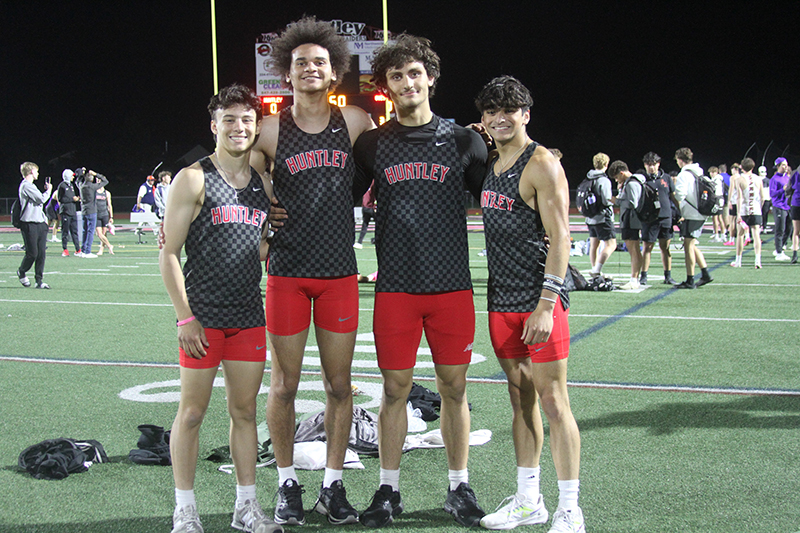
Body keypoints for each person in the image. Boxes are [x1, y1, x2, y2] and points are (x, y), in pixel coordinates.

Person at [351, 34, 488, 528]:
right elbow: (335, 196)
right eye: (396, 75)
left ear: (430, 77)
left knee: (454, 388)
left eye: (414, 73)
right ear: (385, 86)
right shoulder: (372, 144)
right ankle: (388, 489)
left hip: (451, 286)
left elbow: (500, 198)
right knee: (394, 391)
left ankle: (458, 487)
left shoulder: (463, 140)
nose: (406, 82)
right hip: (397, 289)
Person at [249, 16, 375, 526]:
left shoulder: (358, 122)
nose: (309, 69)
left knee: (340, 386)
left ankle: (332, 484)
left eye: (318, 62)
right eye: (300, 62)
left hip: (339, 272)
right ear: (287, 72)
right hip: (288, 272)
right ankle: (285, 483)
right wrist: (263, 199)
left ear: (333, 71)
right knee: (283, 385)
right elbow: (239, 167)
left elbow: (393, 158)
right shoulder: (273, 129)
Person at [159, 84, 280, 533]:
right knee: (191, 412)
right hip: (204, 319)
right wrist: (185, 317)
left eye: (247, 120)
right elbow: (169, 252)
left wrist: (275, 240)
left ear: (255, 126)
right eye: (229, 119)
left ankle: (245, 507)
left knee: (244, 413)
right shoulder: (193, 178)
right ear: (214, 126)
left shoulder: (261, 183)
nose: (239, 127)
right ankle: (185, 510)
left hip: (248, 315)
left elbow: (256, 248)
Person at [474, 76, 584, 533]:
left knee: (554, 402)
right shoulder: (490, 160)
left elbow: (562, 236)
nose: (501, 117)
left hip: (537, 302)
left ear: (527, 114)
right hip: (500, 300)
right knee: (519, 400)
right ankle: (528, 499)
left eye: (510, 110)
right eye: (491, 111)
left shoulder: (541, 164)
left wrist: (546, 303)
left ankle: (569, 508)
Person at [673, 147, 714, 288]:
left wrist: (674, 192)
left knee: (688, 246)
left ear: (679, 160)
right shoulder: (699, 172)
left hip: (692, 213)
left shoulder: (684, 174)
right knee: (691, 244)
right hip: (701, 212)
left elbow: (680, 195)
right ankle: (705, 273)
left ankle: (690, 280)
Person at [639, 152, 679, 285]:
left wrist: (680, 212)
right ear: (645, 165)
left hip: (666, 217)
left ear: (658, 164)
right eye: (649, 165)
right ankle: (643, 276)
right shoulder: (641, 179)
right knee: (647, 247)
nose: (652, 167)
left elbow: (673, 197)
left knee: (665, 247)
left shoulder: (666, 178)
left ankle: (668, 276)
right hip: (649, 219)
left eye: (654, 164)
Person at [608, 160, 644, 290]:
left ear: (622, 173)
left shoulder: (632, 183)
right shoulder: (631, 182)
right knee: (634, 250)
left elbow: (633, 203)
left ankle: (634, 279)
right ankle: (635, 278)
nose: (617, 180)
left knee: (633, 250)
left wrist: (616, 200)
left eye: (617, 177)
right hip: (630, 219)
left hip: (631, 219)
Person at [17, 161, 53, 289]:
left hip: (40, 224)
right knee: (32, 253)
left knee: (41, 254)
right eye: (36, 171)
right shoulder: (26, 185)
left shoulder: (32, 186)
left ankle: (39, 280)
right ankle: (22, 271)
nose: (38, 173)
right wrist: (49, 191)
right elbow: (41, 199)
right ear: (31, 171)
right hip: (29, 223)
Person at [584, 153, 616, 279]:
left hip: (590, 217)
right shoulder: (603, 180)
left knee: (594, 245)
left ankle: (594, 269)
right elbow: (606, 200)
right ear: (606, 165)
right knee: (611, 244)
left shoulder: (588, 178)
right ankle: (597, 270)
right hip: (602, 217)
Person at [732, 158, 763, 268]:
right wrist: (759, 207)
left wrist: (739, 214)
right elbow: (762, 197)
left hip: (745, 210)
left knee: (740, 235)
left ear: (741, 167)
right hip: (756, 209)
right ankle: (757, 261)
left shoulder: (739, 179)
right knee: (756, 235)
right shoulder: (758, 179)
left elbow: (739, 198)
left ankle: (738, 261)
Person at [77, 168, 108, 258]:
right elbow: (105, 181)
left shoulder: (81, 186)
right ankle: (87, 251)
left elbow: (77, 181)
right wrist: (96, 174)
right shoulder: (93, 186)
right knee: (90, 231)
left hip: (84, 211)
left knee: (84, 231)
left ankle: (83, 250)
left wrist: (82, 174)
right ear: (92, 179)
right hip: (92, 211)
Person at [769, 157, 792, 261]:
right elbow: (772, 194)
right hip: (779, 206)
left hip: (788, 206)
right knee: (780, 230)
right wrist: (782, 190)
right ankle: (779, 253)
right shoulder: (774, 179)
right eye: (783, 164)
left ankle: (780, 248)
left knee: (789, 229)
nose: (785, 166)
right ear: (778, 166)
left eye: (786, 164)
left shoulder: (787, 177)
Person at [56, 168, 82, 257]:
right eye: (71, 176)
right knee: (65, 232)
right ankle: (65, 249)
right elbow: (60, 199)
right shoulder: (62, 186)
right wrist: (72, 199)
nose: (73, 178)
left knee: (74, 231)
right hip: (66, 212)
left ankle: (78, 249)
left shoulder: (71, 185)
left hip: (72, 211)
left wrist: (77, 199)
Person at [354, 181, 375, 249]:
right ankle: (376, 239)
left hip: (364, 207)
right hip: (371, 207)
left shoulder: (365, 182)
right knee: (380, 224)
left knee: (365, 225)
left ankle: (359, 242)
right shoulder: (373, 182)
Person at [95, 186, 115, 255]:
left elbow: (109, 205)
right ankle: (109, 245)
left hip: (104, 215)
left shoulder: (106, 193)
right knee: (99, 234)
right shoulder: (94, 192)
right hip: (97, 215)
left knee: (104, 234)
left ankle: (101, 249)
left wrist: (111, 217)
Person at [787, 166, 800, 263]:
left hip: (796, 202)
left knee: (796, 231)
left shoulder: (795, 172)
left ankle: (795, 255)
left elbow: (788, 188)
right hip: (796, 202)